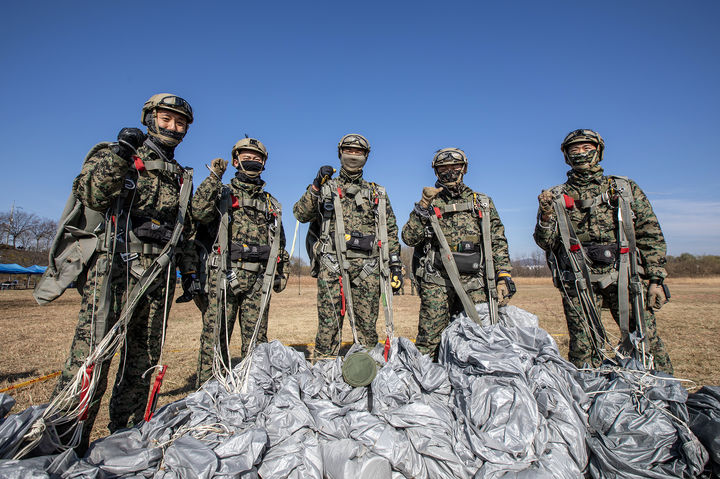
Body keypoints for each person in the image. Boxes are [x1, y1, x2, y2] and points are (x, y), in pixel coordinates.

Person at [53, 93, 198, 451]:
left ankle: (126, 438)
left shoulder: (181, 176)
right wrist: (119, 155)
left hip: (158, 275)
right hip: (115, 271)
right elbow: (92, 194)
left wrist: (190, 273)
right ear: (150, 118)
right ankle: (63, 443)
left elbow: (187, 232)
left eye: (180, 123)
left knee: (143, 362)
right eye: (166, 119)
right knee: (92, 357)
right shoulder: (119, 154)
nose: (172, 127)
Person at [534, 129, 673, 373]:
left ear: (598, 152)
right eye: (574, 150)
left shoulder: (623, 189)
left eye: (587, 148)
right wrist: (546, 215)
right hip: (579, 280)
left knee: (644, 339)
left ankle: (663, 392)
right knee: (583, 347)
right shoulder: (555, 196)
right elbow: (545, 242)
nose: (581, 154)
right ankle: (586, 397)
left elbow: (650, 234)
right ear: (566, 156)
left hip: (625, 276)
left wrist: (656, 279)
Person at [293, 134, 402, 360]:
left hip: (368, 271)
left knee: (367, 331)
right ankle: (324, 376)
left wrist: (395, 264)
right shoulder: (325, 188)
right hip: (332, 268)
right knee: (328, 330)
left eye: (358, 152)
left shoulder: (377, 193)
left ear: (366, 157)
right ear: (340, 153)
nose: (353, 155)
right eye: (349, 150)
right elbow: (301, 214)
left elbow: (390, 230)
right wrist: (315, 185)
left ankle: (367, 377)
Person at [191, 138, 289, 387]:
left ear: (264, 164)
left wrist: (281, 272)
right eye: (246, 156)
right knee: (215, 338)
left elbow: (280, 242)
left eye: (257, 158)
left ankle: (252, 391)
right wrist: (213, 177)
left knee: (257, 342)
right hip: (224, 276)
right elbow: (199, 212)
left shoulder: (271, 203)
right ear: (235, 160)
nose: (251, 161)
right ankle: (209, 392)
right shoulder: (221, 193)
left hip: (258, 281)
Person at [402, 148, 514, 359]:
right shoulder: (430, 202)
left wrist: (503, 275)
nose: (450, 171)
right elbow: (409, 238)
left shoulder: (481, 202)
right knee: (429, 342)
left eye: (455, 166)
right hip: (437, 283)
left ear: (464, 168)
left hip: (475, 283)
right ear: (436, 172)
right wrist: (423, 206)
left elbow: (497, 241)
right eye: (443, 168)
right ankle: (428, 384)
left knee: (479, 339)